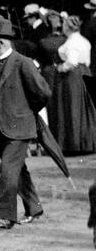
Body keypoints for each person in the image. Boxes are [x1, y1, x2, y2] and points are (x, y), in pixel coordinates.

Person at [0, 18, 51, 230]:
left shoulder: (23, 62)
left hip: (19, 128)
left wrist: (26, 112)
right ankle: (34, 207)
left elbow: (43, 93)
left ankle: (6, 216)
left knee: (7, 169)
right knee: (18, 169)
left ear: (1, 43)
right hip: (1, 127)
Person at [47, 15, 96, 155]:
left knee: (72, 107)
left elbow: (72, 61)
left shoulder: (73, 42)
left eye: (63, 25)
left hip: (72, 76)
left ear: (67, 27)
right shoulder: (84, 41)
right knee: (84, 108)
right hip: (84, 72)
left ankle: (73, 144)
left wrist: (61, 67)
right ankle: (85, 142)